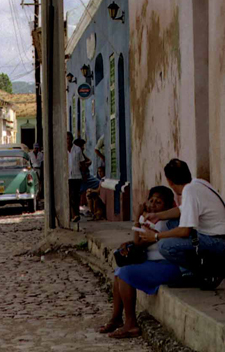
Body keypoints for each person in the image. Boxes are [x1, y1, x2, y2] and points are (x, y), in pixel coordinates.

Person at [99, 186, 181, 339]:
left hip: (168, 266)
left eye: (158, 203)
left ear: (168, 206)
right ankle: (116, 318)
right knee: (119, 273)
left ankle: (131, 324)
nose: (153, 205)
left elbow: (139, 241)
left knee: (124, 273)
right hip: (155, 264)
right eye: (151, 201)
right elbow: (140, 241)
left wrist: (137, 217)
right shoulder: (153, 221)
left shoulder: (165, 222)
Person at [141, 159, 225, 290]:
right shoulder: (197, 183)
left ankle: (204, 272)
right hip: (215, 236)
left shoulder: (189, 191)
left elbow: (185, 231)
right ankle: (192, 272)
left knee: (165, 246)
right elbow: (182, 210)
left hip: (218, 242)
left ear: (169, 181)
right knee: (171, 222)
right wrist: (158, 216)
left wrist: (156, 237)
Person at [67, 132, 85, 223]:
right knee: (70, 196)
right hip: (67, 177)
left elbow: (82, 162)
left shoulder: (77, 150)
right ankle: (72, 214)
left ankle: (76, 214)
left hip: (76, 176)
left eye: (69, 138)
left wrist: (84, 172)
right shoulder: (62, 151)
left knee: (76, 196)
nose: (68, 140)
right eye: (66, 139)